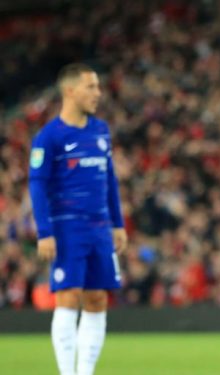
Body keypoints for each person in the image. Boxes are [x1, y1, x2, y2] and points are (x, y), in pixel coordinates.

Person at [29, 63, 127, 375]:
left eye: (97, 86)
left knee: (98, 298)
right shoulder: (49, 137)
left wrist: (118, 223)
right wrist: (44, 230)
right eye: (91, 87)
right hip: (67, 226)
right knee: (69, 296)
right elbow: (37, 183)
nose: (98, 93)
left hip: (100, 227)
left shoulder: (100, 130)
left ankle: (85, 373)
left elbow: (109, 178)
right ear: (70, 91)